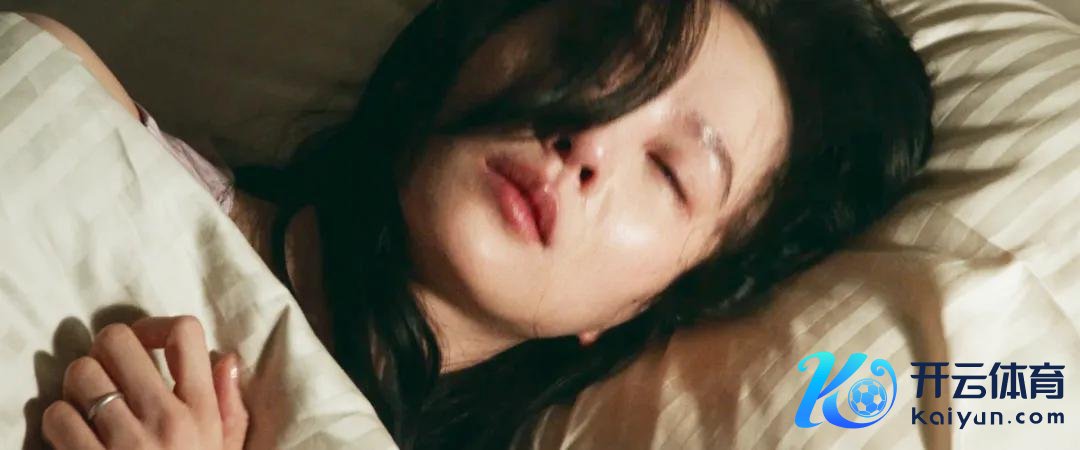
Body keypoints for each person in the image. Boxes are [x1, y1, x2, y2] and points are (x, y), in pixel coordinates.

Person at [31, 0, 935, 448]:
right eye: (596, 56)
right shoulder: (73, 112)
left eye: (670, 171)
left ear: (657, 299)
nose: (591, 139)